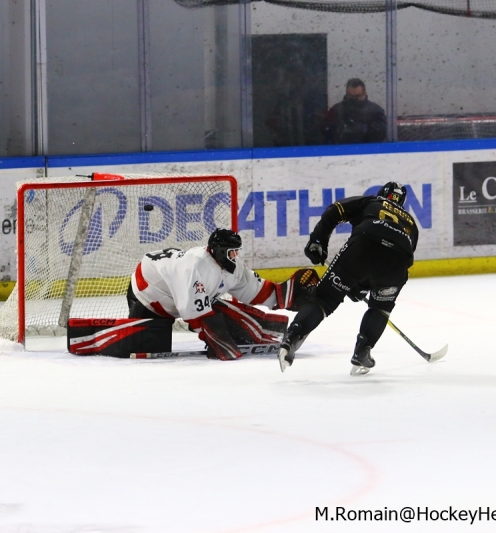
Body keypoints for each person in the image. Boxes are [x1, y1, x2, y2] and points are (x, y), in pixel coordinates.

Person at [277, 182, 419, 376]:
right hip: (397, 263)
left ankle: (292, 338)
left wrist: (318, 241)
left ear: (381, 193)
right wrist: (363, 285)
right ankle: (363, 350)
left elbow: (335, 210)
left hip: (364, 243)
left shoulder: (372, 201)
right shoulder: (411, 223)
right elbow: (400, 258)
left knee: (324, 298)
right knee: (380, 307)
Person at [128, 228, 318, 361]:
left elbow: (255, 290)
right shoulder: (196, 266)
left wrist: (283, 297)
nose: (235, 256)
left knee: (222, 313)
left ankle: (270, 330)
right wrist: (216, 339)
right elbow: (193, 314)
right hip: (147, 294)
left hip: (173, 295)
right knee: (143, 346)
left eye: (237, 252)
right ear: (218, 251)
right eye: (231, 252)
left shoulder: (233, 267)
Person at [323, 78, 386, 145]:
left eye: (358, 96)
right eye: (351, 96)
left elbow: (380, 134)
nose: (354, 99)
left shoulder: (376, 111)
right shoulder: (336, 110)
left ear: (364, 93)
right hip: (341, 150)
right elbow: (326, 131)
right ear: (346, 93)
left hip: (367, 150)